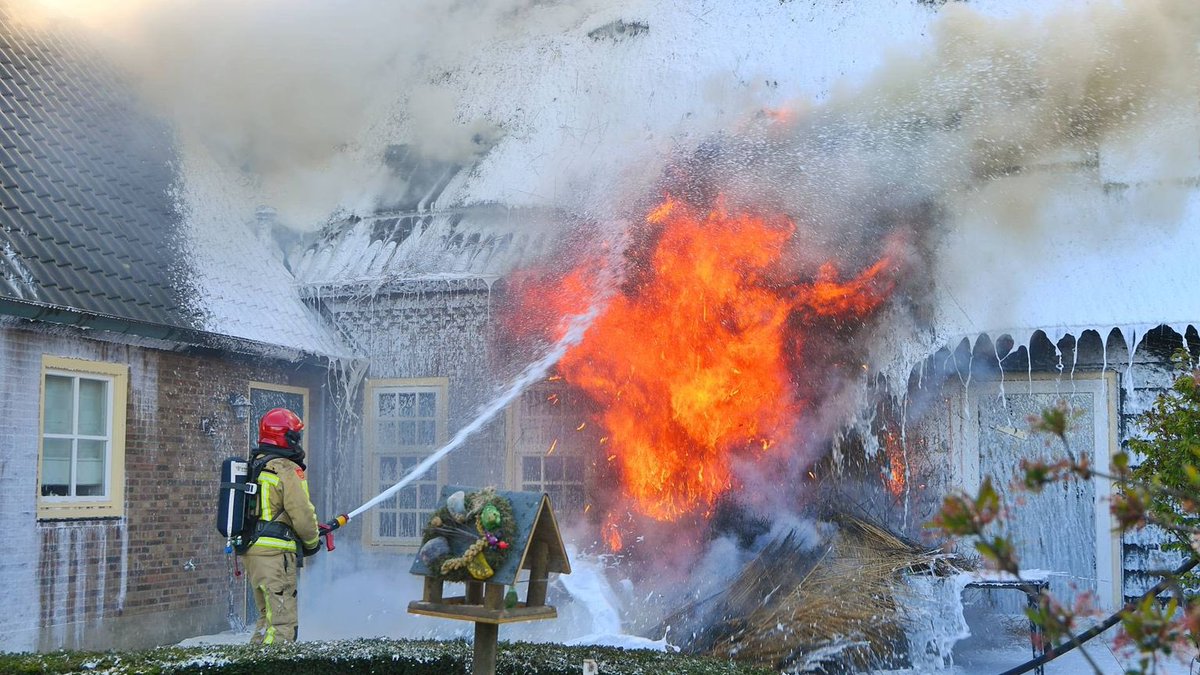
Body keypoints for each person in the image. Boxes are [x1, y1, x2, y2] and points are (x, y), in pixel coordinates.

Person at [241, 407, 325, 644]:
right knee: (282, 625)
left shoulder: (256, 465)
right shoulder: (286, 469)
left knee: (267, 619)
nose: (298, 441)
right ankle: (274, 662)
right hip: (275, 555)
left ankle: (254, 660)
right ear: (285, 436)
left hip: (253, 551)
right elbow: (302, 512)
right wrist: (312, 542)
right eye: (295, 435)